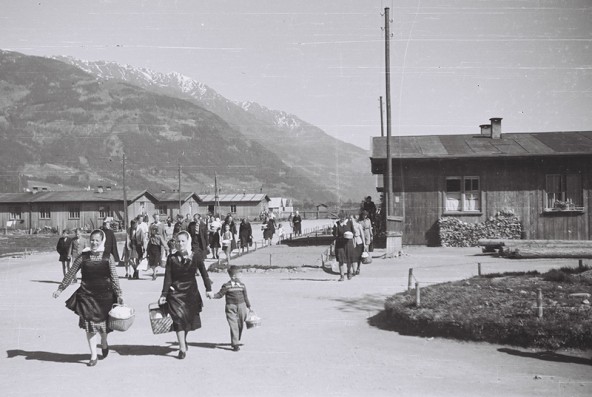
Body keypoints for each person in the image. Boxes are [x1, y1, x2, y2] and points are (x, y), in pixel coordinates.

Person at [52, 229, 123, 367]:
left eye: (97, 240)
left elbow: (114, 277)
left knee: (103, 327)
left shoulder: (108, 257)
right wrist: (60, 289)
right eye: (92, 239)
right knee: (89, 327)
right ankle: (93, 355)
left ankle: (103, 342)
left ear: (102, 241)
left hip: (105, 296)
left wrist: (119, 294)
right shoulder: (83, 257)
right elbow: (71, 272)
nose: (94, 242)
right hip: (87, 295)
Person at [158, 231, 212, 359]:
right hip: (175, 293)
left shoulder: (196, 256)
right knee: (178, 320)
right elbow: (168, 277)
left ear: (188, 242)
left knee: (187, 320)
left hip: (191, 293)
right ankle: (182, 347)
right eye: (178, 241)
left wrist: (208, 289)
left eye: (183, 241)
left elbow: (204, 273)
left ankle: (183, 340)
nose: (180, 243)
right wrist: (164, 294)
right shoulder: (171, 258)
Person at [207, 265, 252, 352]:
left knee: (240, 324)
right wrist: (213, 296)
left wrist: (249, 306)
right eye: (240, 274)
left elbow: (245, 296)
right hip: (230, 307)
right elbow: (220, 294)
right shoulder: (226, 286)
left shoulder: (242, 285)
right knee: (233, 325)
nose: (241, 276)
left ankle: (236, 338)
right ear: (234, 276)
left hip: (242, 306)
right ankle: (235, 344)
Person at [332, 210, 355, 281]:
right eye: (340, 217)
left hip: (348, 243)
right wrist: (335, 228)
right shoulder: (337, 224)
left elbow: (353, 232)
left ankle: (349, 271)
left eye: (343, 217)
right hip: (340, 244)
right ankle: (342, 275)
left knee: (349, 259)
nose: (342, 219)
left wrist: (350, 235)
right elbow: (335, 235)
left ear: (345, 217)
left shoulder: (349, 222)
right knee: (341, 260)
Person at [134, 215, 149, 279]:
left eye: (142, 219)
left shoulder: (144, 225)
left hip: (143, 242)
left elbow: (146, 233)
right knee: (137, 258)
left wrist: (145, 242)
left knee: (142, 258)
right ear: (138, 219)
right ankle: (136, 272)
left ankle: (139, 269)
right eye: (140, 219)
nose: (141, 220)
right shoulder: (136, 225)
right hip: (137, 243)